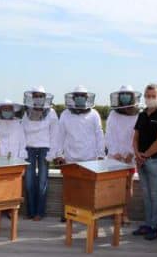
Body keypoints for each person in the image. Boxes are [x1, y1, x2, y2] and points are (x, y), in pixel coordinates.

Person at [55, 85, 105, 222]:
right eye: (77, 96)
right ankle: (68, 213)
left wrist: (101, 154)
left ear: (86, 98)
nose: (80, 99)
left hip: (89, 158)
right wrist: (59, 154)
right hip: (70, 157)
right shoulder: (65, 114)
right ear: (73, 98)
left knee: (88, 189)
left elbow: (99, 134)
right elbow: (60, 135)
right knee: (70, 188)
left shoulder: (94, 114)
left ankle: (87, 214)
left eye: (82, 96)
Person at [132, 83, 157, 240]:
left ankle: (154, 227)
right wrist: (137, 154)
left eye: (153, 96)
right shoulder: (141, 115)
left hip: (154, 161)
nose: (150, 99)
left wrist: (144, 156)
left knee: (155, 194)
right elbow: (135, 137)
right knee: (146, 195)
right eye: (147, 96)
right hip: (141, 161)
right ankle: (147, 224)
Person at [21, 86, 60, 221]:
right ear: (32, 97)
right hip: (29, 148)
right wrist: (22, 151)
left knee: (42, 182)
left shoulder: (52, 113)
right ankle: (30, 211)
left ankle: (40, 212)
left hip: (45, 149)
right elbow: (22, 132)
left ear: (44, 98)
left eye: (40, 96)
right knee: (29, 181)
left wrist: (52, 153)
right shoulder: (26, 113)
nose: (38, 98)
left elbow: (55, 134)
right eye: (35, 95)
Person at [105, 85, 142, 225]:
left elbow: (138, 136)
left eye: (128, 95)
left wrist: (131, 153)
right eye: (123, 95)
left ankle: (125, 214)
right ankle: (115, 213)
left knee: (128, 186)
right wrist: (115, 153)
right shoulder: (113, 115)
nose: (125, 97)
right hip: (115, 158)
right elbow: (108, 135)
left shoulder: (138, 115)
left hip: (130, 159)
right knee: (114, 186)